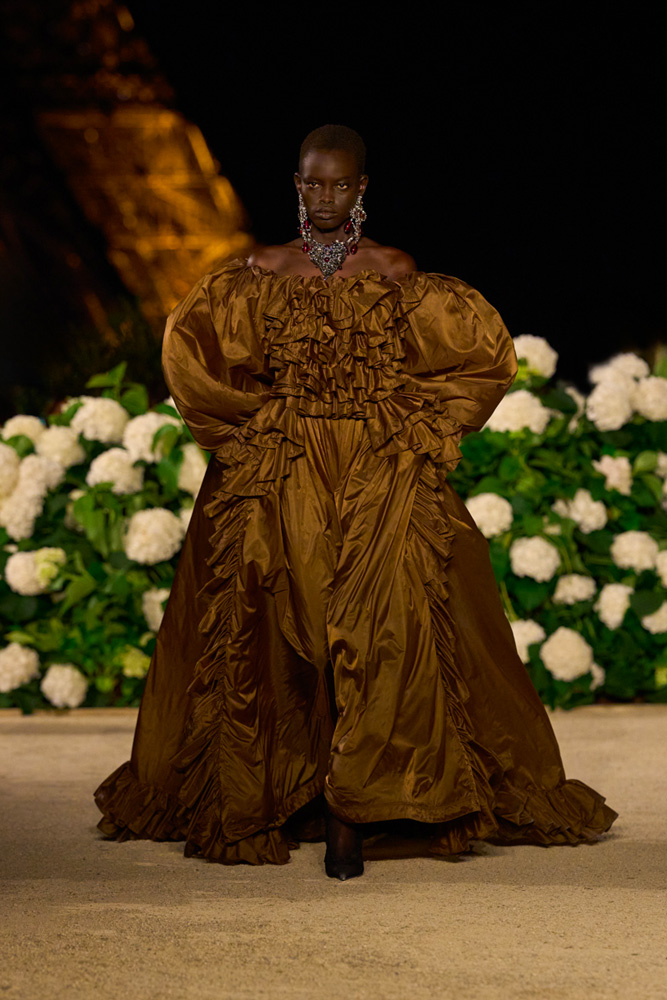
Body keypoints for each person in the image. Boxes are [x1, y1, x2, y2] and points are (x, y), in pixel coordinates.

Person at [94, 124, 618, 881]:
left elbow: (475, 355)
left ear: (362, 189)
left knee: (385, 625)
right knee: (284, 625)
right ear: (295, 184)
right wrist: (249, 428)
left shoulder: (394, 269)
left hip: (377, 467)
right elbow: (194, 354)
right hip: (284, 467)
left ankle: (353, 810)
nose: (326, 196)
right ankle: (299, 793)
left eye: (340, 185)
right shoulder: (260, 269)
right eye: (313, 184)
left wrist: (415, 424)